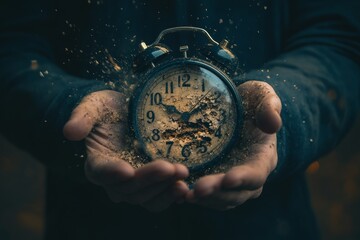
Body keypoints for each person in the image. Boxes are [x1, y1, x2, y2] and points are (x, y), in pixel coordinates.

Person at [0, 0, 359, 239]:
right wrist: (69, 106)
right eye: (169, 108)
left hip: (266, 223)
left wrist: (282, 111)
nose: (182, 113)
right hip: (95, 221)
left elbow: (338, 40)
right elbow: (11, 44)